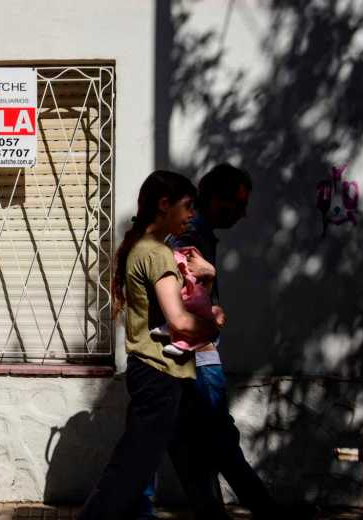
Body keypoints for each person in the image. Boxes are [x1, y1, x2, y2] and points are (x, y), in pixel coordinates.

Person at [77, 170, 229, 520]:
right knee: (130, 471)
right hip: (160, 376)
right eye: (187, 206)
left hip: (164, 375)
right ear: (164, 205)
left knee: (191, 466)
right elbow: (178, 320)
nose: (192, 214)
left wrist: (203, 282)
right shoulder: (158, 254)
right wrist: (213, 324)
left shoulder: (139, 248)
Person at [171, 163, 278, 518]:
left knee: (194, 445)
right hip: (198, 357)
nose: (242, 214)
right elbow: (186, 299)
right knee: (216, 441)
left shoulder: (197, 235)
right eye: (238, 205)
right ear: (215, 198)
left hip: (196, 356)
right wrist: (213, 306)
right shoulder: (191, 237)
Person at [150, 246, 218, 357]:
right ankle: (174, 334)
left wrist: (209, 273)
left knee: (193, 304)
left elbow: (205, 287)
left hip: (204, 351)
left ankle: (176, 338)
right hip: (202, 353)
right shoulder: (180, 242)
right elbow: (180, 322)